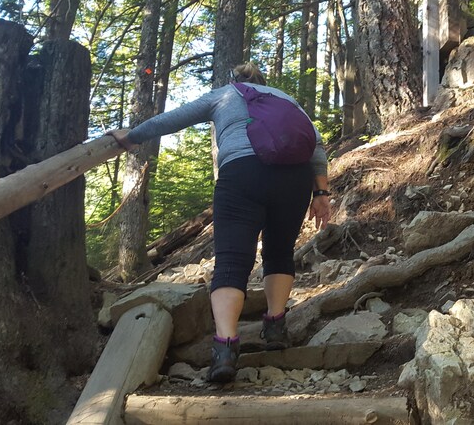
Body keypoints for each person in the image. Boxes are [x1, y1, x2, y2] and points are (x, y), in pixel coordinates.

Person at [107, 62, 331, 383]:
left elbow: (174, 118)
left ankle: (225, 348)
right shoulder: (286, 99)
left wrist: (132, 136)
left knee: (231, 260)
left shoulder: (224, 95)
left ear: (234, 80)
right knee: (279, 251)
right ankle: (276, 325)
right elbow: (317, 145)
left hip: (242, 174)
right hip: (294, 179)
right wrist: (321, 193)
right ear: (264, 81)